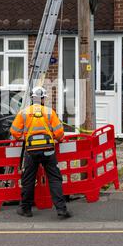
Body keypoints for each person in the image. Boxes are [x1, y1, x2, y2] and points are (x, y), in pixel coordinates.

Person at [10, 86, 72, 219]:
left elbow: (14, 132)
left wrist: (23, 137)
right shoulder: (49, 112)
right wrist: (58, 139)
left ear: (32, 98)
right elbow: (60, 133)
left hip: (31, 151)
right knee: (54, 179)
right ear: (43, 98)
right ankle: (61, 210)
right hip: (48, 150)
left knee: (28, 179)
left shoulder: (24, 112)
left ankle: (26, 209)